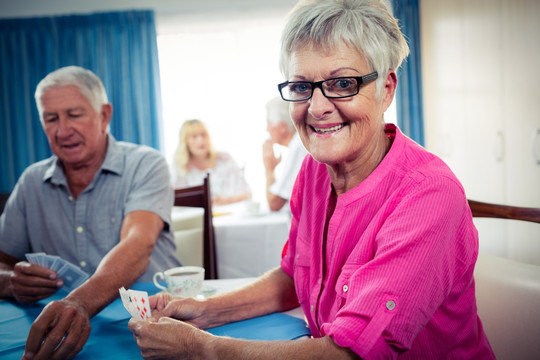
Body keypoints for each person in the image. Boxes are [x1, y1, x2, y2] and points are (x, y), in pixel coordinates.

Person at [128, 0, 495, 358]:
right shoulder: (313, 170)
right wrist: (205, 310)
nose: (317, 108)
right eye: (302, 87)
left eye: (342, 84)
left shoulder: (427, 195)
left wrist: (201, 348)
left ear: (386, 90)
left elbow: (348, 354)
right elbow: (295, 278)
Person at [0, 65, 181, 359]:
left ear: (105, 115)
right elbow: (2, 262)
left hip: (151, 324)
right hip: (59, 328)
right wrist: (11, 282)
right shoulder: (31, 181)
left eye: (74, 114)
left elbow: (137, 245)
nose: (62, 130)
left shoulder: (146, 164)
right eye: (51, 118)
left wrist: (79, 303)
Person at [171, 119, 251, 206]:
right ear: (185, 141)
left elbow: (247, 194)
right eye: (194, 136)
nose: (201, 140)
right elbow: (174, 202)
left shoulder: (225, 159)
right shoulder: (178, 167)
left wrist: (227, 200)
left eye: (203, 135)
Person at [262, 96, 307, 212]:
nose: (267, 129)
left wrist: (269, 169)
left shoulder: (298, 146)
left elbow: (274, 203)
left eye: (269, 123)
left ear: (282, 127)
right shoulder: (299, 144)